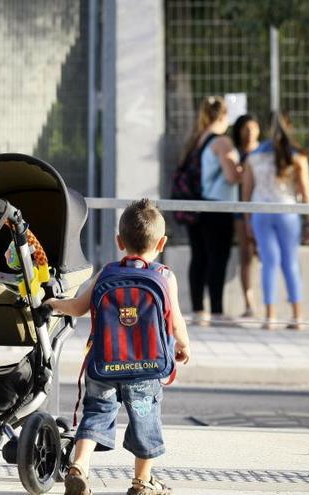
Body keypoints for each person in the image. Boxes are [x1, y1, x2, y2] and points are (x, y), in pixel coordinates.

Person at [46, 199, 191, 495]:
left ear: (119, 241)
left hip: (104, 364)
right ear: (162, 242)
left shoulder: (107, 272)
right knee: (145, 421)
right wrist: (183, 345)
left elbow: (77, 307)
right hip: (146, 368)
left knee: (96, 413)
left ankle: (79, 467)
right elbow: (175, 320)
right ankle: (142, 482)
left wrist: (52, 303)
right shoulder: (165, 276)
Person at [243, 113, 309, 330]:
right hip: (288, 212)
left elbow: (246, 191)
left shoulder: (254, 156)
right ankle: (297, 316)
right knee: (291, 263)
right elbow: (307, 191)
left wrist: (247, 220)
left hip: (261, 212)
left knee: (269, 262)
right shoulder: (297, 156)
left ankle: (270, 316)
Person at [183, 96, 242, 323]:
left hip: (197, 206)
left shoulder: (197, 139)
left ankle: (199, 310)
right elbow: (231, 175)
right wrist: (242, 170)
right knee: (218, 257)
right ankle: (217, 310)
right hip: (218, 206)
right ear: (224, 115)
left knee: (199, 257)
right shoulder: (222, 142)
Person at [231, 114, 260, 318]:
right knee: (246, 254)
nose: (249, 133)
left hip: (263, 210)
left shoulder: (265, 152)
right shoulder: (237, 154)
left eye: (253, 128)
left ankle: (270, 303)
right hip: (242, 210)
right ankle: (249, 303)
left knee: (266, 254)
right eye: (245, 128)